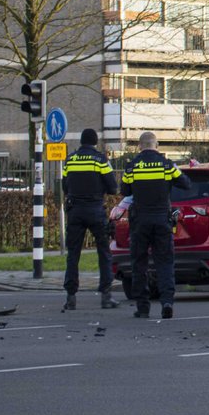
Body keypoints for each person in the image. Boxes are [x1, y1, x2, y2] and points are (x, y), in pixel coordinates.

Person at [121, 131, 183, 319]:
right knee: (164, 262)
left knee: (139, 263)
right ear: (156, 146)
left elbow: (124, 190)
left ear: (140, 146)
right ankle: (166, 302)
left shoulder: (132, 167)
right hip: (162, 220)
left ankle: (142, 307)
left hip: (140, 221)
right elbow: (185, 183)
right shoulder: (167, 165)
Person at [60, 128, 119, 311]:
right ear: (94, 142)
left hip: (75, 210)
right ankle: (106, 296)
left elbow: (64, 185)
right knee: (104, 253)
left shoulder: (70, 160)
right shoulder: (101, 160)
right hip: (95, 210)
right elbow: (113, 188)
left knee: (73, 255)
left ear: (81, 141)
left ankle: (71, 297)